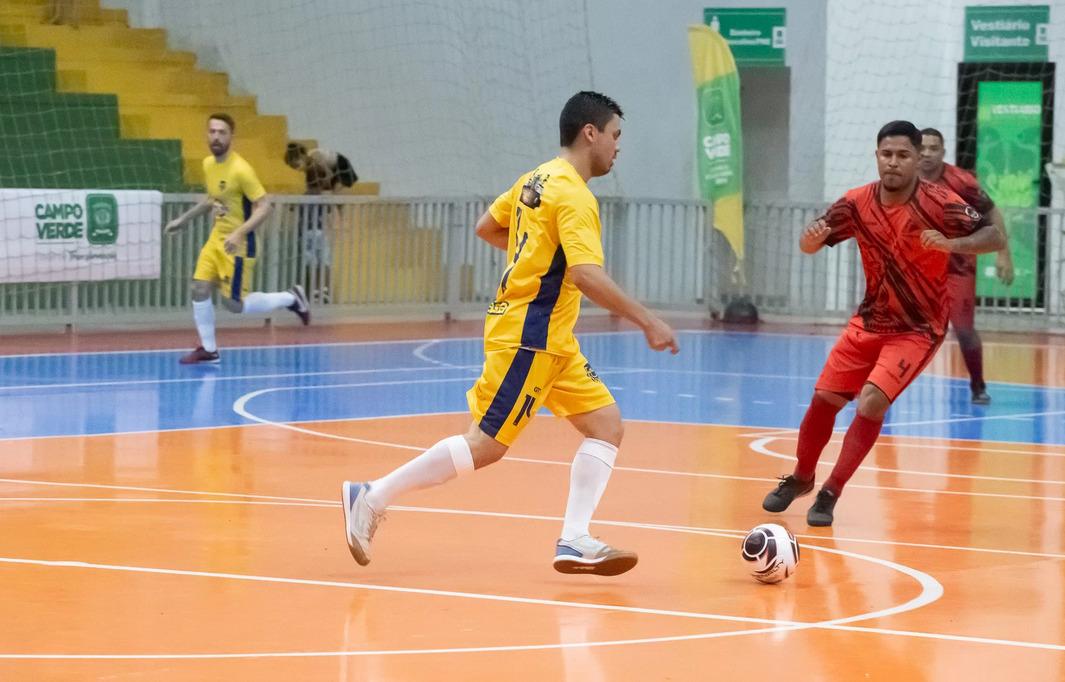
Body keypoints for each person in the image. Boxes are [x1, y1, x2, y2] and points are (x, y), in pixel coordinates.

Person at [341, 91, 679, 575]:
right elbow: (585, 274)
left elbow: (486, 226)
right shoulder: (575, 196)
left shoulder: (535, 179)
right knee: (486, 445)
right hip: (530, 334)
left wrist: (536, 255)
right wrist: (648, 320)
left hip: (554, 339)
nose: (617, 146)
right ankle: (371, 497)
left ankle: (575, 539)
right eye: (615, 135)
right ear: (590, 133)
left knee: (606, 425)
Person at [762, 120, 1005, 527]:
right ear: (877, 156)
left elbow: (994, 235)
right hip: (869, 321)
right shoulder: (856, 202)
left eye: (903, 155)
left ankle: (830, 491)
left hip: (918, 328)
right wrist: (809, 242)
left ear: (917, 159)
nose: (893, 162)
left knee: (872, 400)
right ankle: (802, 477)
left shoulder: (940, 202)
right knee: (823, 400)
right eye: (887, 154)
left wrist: (952, 244)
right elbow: (811, 242)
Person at [165, 113, 310, 364]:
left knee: (234, 305)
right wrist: (184, 219)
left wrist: (239, 232)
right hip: (216, 240)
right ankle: (209, 350)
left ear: (231, 136)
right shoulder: (209, 164)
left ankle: (291, 297)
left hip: (240, 245)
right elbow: (213, 199)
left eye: (222, 132)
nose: (216, 137)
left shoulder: (241, 170)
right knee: (199, 288)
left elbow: (265, 206)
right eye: (212, 131)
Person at [918, 127, 1012, 404]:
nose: (927, 153)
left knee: (963, 329)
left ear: (943, 152)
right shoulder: (904, 179)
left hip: (957, 267)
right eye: (922, 148)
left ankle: (978, 386)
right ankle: (881, 386)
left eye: (933, 148)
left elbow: (992, 212)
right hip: (916, 267)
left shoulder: (962, 181)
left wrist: (1003, 253)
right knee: (896, 325)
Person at [284, 143, 358, 303]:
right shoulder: (311, 170)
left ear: (301, 157)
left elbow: (326, 176)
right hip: (315, 225)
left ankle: (320, 290)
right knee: (320, 260)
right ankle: (320, 290)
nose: (297, 169)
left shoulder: (315, 159)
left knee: (335, 195)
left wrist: (325, 193)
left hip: (341, 166)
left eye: (296, 165)